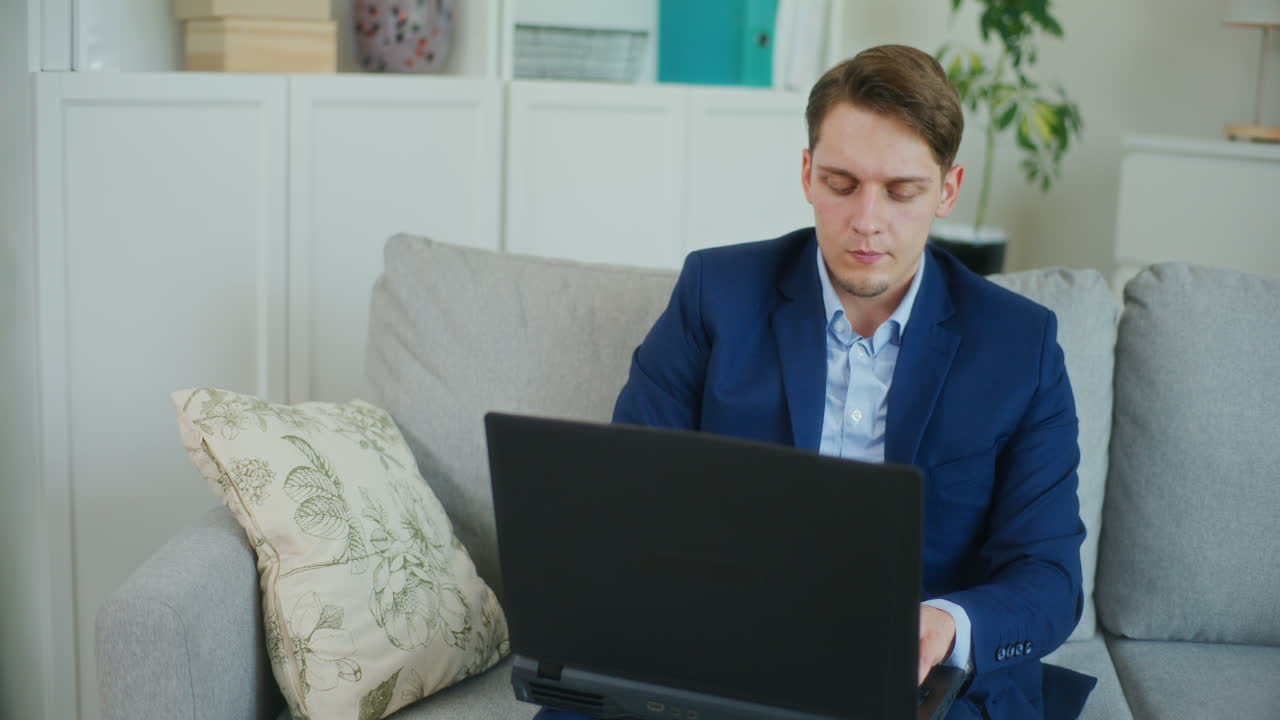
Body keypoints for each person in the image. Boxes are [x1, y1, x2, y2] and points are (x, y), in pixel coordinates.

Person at [610, 45, 1094, 720]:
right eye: (842, 184)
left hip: (918, 686)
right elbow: (628, 494)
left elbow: (1048, 577)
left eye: (902, 192)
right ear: (807, 174)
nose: (868, 221)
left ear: (947, 191)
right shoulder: (714, 295)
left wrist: (947, 624)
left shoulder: (1020, 346)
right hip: (727, 655)